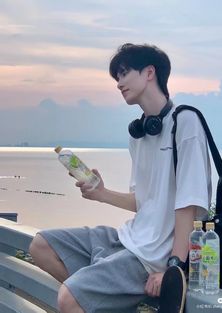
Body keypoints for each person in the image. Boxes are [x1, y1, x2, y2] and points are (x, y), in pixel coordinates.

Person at [29, 43, 212, 313]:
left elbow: (189, 206)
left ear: (149, 72)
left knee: (69, 299)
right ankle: (101, 298)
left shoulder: (185, 123)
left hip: (153, 256)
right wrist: (101, 193)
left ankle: (89, 295)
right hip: (128, 239)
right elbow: (143, 201)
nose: (119, 83)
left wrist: (173, 268)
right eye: (117, 77)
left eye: (124, 73)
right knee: (40, 245)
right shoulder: (138, 135)